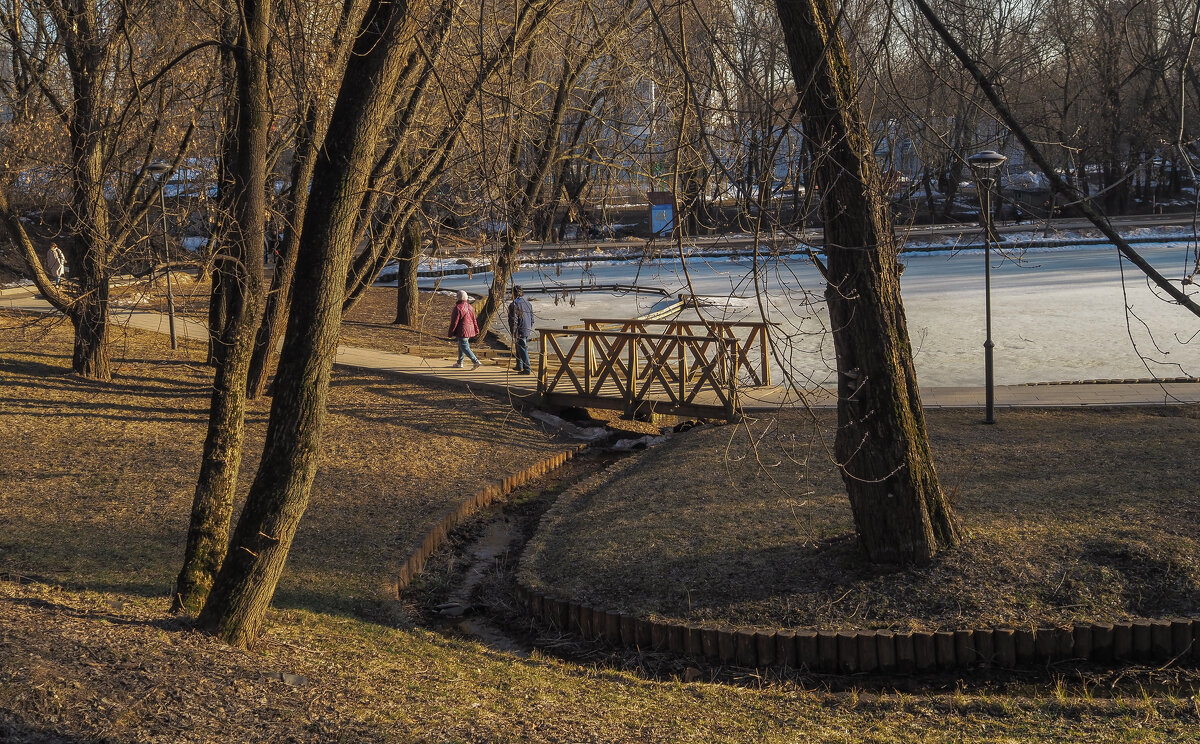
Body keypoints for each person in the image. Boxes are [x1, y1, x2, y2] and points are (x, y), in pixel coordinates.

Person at [448, 290, 482, 369]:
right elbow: (474, 320)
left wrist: (450, 333)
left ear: (458, 298)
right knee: (461, 346)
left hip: (462, 330)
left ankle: (476, 361)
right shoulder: (470, 307)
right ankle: (460, 363)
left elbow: (454, 322)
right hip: (470, 329)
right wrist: (476, 329)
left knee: (465, 347)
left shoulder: (457, 308)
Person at [507, 285, 534, 374]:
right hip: (527, 327)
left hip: (520, 328)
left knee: (522, 347)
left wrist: (513, 331)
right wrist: (529, 327)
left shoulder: (514, 305)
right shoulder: (528, 303)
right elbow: (532, 318)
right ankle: (519, 365)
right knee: (518, 346)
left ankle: (527, 368)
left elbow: (513, 320)